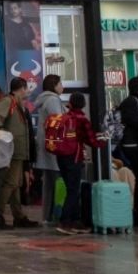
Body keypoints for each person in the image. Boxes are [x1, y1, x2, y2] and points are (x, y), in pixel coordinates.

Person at [0, 77, 39, 229]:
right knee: (11, 183)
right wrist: (5, 138)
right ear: (22, 88)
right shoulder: (7, 102)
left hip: (18, 151)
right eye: (27, 88)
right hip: (11, 151)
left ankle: (19, 216)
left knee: (16, 184)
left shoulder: (18, 105)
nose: (28, 91)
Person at [55, 94, 102, 235]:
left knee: (71, 189)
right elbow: (92, 141)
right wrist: (103, 141)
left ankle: (75, 221)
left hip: (61, 157)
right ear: (83, 105)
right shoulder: (82, 120)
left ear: (70, 103)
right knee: (74, 190)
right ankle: (65, 221)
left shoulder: (63, 118)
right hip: (74, 158)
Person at [117, 78, 138, 220]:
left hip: (134, 142)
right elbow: (130, 120)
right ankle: (137, 210)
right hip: (132, 144)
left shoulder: (134, 101)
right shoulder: (133, 101)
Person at [33, 75, 64, 225]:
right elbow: (57, 123)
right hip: (54, 148)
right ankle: (56, 215)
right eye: (60, 83)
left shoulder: (45, 99)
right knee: (57, 182)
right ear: (54, 85)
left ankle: (48, 215)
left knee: (49, 183)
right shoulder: (52, 100)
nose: (62, 86)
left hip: (47, 147)